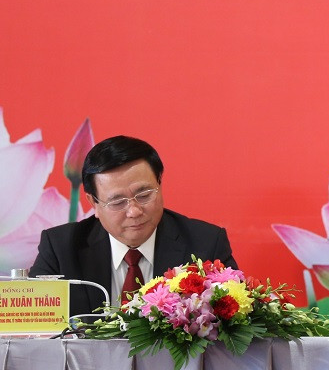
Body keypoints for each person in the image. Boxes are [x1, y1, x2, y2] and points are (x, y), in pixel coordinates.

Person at [29, 135, 237, 318]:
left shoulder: (205, 244)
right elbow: (34, 329)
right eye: (118, 202)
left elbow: (236, 324)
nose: (134, 211)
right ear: (94, 203)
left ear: (159, 184)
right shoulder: (60, 249)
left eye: (144, 195)